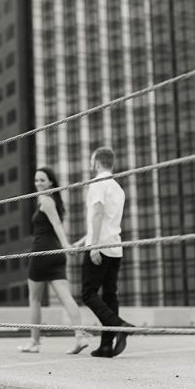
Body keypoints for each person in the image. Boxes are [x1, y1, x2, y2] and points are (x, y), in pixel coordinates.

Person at [18, 166, 90, 354]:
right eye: (36, 180)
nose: (38, 183)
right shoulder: (55, 200)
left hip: (42, 252)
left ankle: (34, 342)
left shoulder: (46, 199)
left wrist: (66, 244)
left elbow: (57, 224)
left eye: (42, 180)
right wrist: (64, 247)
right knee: (66, 296)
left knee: (34, 299)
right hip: (56, 254)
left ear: (51, 182)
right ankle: (80, 336)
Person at [74, 146, 134, 358]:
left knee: (88, 294)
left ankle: (119, 325)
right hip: (115, 247)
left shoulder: (97, 183)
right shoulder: (118, 188)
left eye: (92, 162)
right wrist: (84, 241)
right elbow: (107, 220)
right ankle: (107, 346)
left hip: (100, 246)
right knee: (110, 295)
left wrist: (93, 246)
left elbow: (98, 214)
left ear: (97, 162)